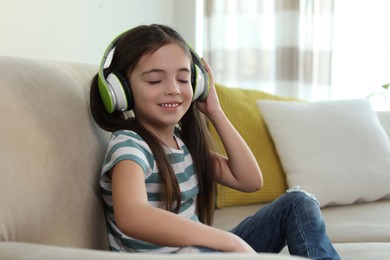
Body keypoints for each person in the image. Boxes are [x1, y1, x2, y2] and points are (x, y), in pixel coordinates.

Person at [89, 24, 340, 259]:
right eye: (155, 80)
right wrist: (228, 241)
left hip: (202, 253)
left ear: (198, 85)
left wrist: (215, 112)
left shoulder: (182, 146)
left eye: (184, 79)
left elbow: (250, 180)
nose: (173, 89)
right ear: (122, 90)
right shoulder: (130, 145)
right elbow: (132, 216)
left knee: (298, 202)